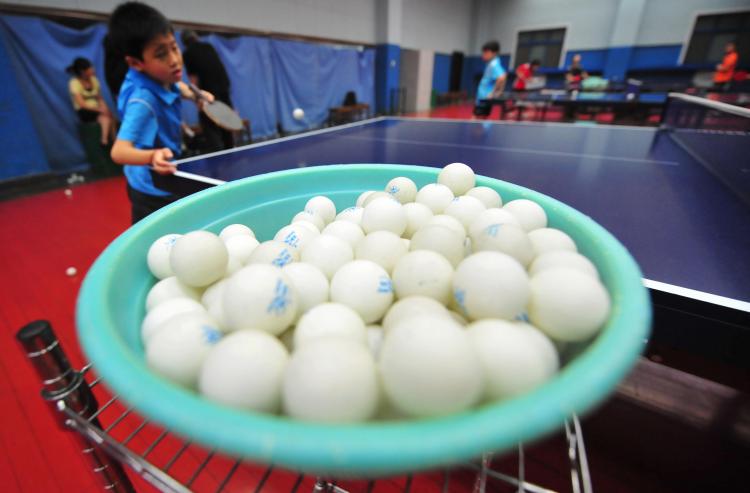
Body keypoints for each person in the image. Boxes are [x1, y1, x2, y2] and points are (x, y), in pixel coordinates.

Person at [108, 2, 214, 224]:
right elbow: (119, 152)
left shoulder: (160, 76)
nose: (174, 60)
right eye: (161, 54)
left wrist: (197, 94)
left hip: (162, 175)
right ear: (136, 63)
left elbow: (179, 87)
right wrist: (151, 156)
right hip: (151, 188)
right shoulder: (143, 101)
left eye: (174, 47)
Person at [181, 30, 234, 152]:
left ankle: (219, 158)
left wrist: (196, 98)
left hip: (207, 96)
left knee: (211, 130)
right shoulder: (209, 47)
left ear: (184, 43)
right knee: (227, 127)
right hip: (223, 91)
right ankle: (231, 152)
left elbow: (193, 79)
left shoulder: (188, 53)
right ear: (196, 37)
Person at [67, 57, 114, 146]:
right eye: (90, 68)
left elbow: (99, 98)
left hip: (97, 108)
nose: (92, 70)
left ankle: (115, 140)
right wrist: (100, 110)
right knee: (104, 117)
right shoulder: (74, 83)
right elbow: (82, 104)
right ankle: (104, 140)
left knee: (111, 116)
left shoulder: (94, 80)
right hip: (84, 111)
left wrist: (104, 108)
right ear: (83, 71)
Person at [474, 40, 507, 118]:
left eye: (486, 52)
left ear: (494, 53)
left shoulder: (493, 64)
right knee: (480, 121)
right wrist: (499, 91)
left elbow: (502, 77)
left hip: (484, 99)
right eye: (483, 52)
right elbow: (504, 75)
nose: (483, 55)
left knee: (476, 122)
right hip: (483, 98)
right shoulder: (493, 63)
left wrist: (493, 93)